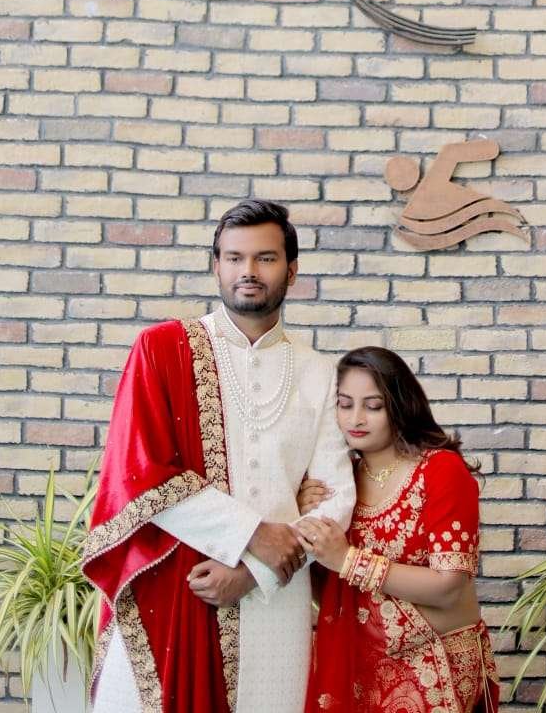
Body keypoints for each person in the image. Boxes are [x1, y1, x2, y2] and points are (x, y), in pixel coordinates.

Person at [82, 199, 356, 713]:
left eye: (265, 258)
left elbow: (335, 495)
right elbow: (140, 474)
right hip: (173, 584)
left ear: (292, 271)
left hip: (276, 601)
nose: (248, 271)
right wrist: (255, 534)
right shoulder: (161, 350)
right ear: (216, 266)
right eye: (234, 258)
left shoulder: (321, 372)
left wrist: (257, 571)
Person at [295, 346, 500, 713]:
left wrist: (348, 559)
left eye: (373, 406)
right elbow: (330, 596)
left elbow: (449, 586)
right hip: (361, 672)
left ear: (400, 405)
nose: (356, 418)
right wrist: (303, 520)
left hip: (434, 668)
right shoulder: (339, 486)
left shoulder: (440, 470)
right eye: (344, 405)